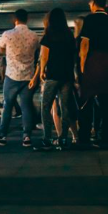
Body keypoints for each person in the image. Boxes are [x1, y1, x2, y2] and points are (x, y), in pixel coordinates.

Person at [78, 0, 108, 149]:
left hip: (93, 63)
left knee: (87, 100)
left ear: (93, 3)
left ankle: (84, 136)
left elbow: (85, 44)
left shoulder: (90, 19)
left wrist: (83, 66)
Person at [0, 8, 39, 148]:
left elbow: (1, 50)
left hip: (11, 75)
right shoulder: (34, 36)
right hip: (28, 76)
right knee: (26, 107)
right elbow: (37, 51)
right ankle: (27, 137)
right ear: (27, 19)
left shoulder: (7, 34)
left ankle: (2, 135)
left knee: (7, 106)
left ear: (15, 19)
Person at [33, 8, 77, 151]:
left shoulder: (48, 36)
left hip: (52, 75)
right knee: (64, 107)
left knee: (46, 106)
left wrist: (41, 72)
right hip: (67, 75)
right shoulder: (69, 35)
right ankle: (63, 137)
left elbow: (44, 56)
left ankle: (47, 138)